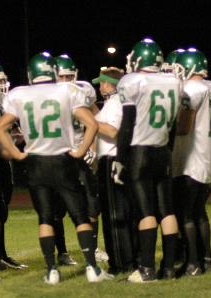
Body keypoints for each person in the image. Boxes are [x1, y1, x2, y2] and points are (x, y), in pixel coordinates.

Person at [0, 52, 113, 284]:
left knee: (46, 218)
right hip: (63, 160)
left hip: (36, 162)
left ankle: (51, 271)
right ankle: (92, 268)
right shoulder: (67, 91)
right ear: (53, 72)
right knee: (80, 216)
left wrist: (18, 153)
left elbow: (0, 128)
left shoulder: (19, 94)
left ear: (31, 74)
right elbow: (91, 124)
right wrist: (80, 151)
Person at [115, 38, 181, 282]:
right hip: (162, 150)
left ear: (139, 59)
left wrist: (120, 158)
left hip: (140, 151)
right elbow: (173, 124)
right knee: (167, 211)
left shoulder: (132, 81)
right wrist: (168, 150)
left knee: (146, 213)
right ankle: (169, 268)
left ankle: (146, 269)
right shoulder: (174, 82)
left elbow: (127, 125)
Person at [172, 48, 211, 275]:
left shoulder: (192, 88)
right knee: (198, 211)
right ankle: (206, 258)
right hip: (210, 157)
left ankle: (192, 263)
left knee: (184, 214)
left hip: (191, 158)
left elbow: (184, 127)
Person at [55, 54, 108, 264]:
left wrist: (92, 147)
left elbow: (96, 117)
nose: (67, 81)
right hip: (59, 154)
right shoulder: (47, 94)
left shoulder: (84, 89)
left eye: (70, 76)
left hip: (81, 152)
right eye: (62, 77)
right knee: (57, 208)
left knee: (92, 204)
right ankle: (62, 252)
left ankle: (93, 249)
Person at [0, 61, 27, 271]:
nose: (2, 85)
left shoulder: (0, 106)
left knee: (1, 212)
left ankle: (0, 254)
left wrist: (14, 138)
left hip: (3, 163)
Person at [92, 67, 136, 274]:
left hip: (111, 160)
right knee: (123, 214)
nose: (100, 86)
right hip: (114, 160)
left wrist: (89, 120)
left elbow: (113, 132)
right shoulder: (115, 102)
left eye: (103, 82)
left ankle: (120, 264)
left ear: (112, 83)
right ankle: (128, 260)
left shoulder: (117, 102)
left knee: (115, 217)